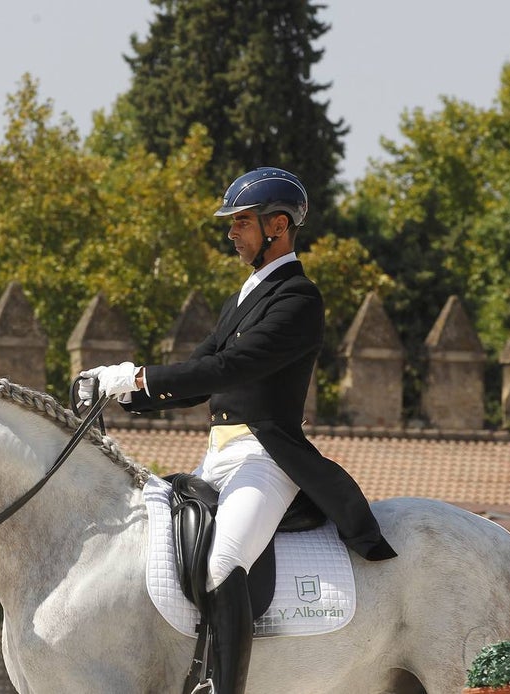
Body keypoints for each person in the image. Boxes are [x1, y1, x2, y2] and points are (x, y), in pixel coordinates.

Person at [79, 166, 397, 694]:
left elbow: (233, 369)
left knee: (224, 561)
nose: (231, 233)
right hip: (219, 457)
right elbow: (199, 372)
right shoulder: (246, 297)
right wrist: (124, 392)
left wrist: (138, 375)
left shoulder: (298, 299)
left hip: (266, 457)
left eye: (242, 222)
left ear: (278, 226)